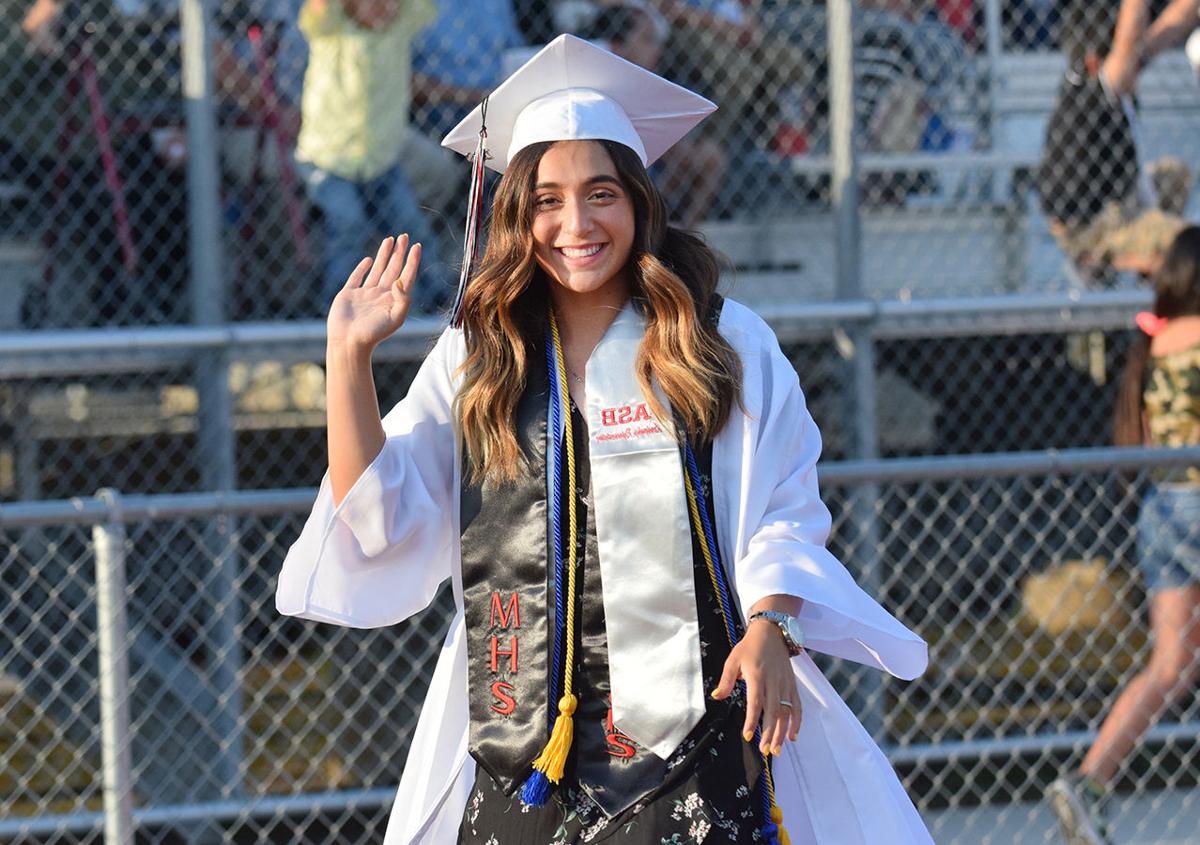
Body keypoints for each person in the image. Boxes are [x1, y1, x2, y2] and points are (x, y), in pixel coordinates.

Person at [277, 34, 932, 844]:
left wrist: (774, 624)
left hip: (690, 737)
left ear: (639, 201)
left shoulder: (719, 344)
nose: (575, 223)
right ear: (518, 214)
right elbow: (378, 515)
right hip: (520, 747)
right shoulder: (479, 359)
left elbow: (786, 502)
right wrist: (348, 359)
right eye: (547, 199)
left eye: (601, 193)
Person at [1046, 226, 1200, 845]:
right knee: (1173, 665)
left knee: (1170, 666)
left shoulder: (1156, 340)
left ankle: (1090, 781)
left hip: (1162, 509)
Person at [294, 0, 451, 311]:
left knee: (410, 224)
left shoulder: (401, 25)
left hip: (382, 161)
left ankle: (437, 301)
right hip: (328, 160)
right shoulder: (333, 28)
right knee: (348, 225)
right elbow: (319, 9)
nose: (382, 6)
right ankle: (336, 307)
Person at [1037, 0, 1195, 281]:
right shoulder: (1093, 86)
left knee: (1174, 173)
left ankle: (1149, 277)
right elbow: (1126, 44)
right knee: (1184, 242)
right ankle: (1113, 269)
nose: (1136, 61)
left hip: (1120, 201)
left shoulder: (1118, 87)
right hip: (1091, 223)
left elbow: (1160, 34)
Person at [584, 2, 727, 226]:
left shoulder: (654, 82)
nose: (657, 49)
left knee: (710, 154)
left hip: (657, 177)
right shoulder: (596, 84)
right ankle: (643, 222)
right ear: (617, 45)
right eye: (647, 39)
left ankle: (681, 233)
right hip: (612, 174)